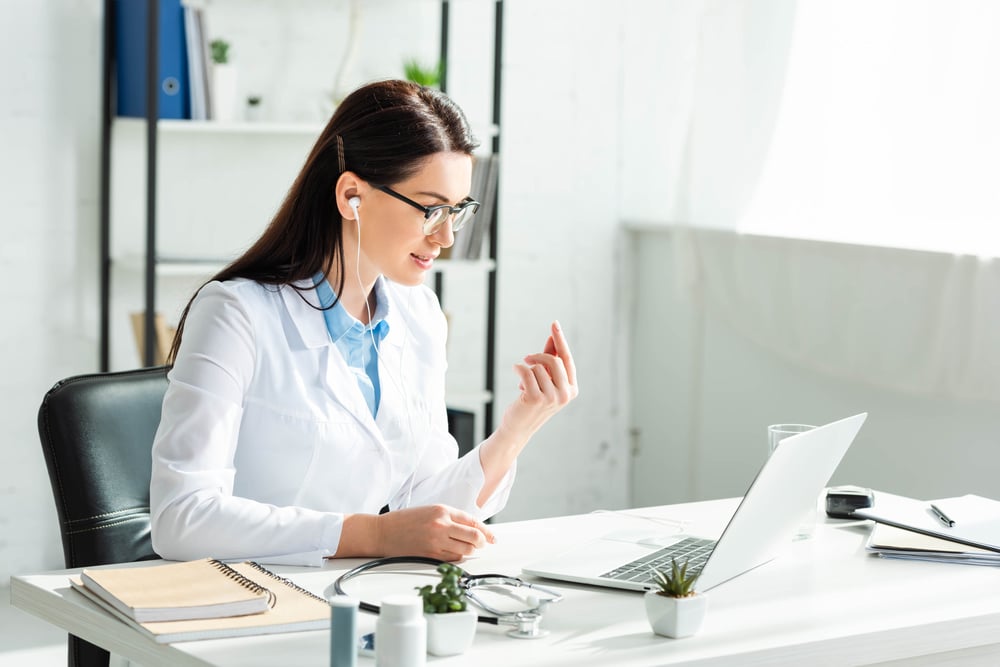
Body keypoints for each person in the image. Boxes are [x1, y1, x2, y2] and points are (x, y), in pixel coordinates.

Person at [149, 79, 578, 566]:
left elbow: (424, 510)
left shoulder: (420, 315)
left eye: (457, 212)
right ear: (352, 194)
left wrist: (519, 427)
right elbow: (181, 520)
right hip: (251, 601)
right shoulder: (236, 314)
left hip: (358, 597)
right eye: (431, 209)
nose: (445, 238)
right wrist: (371, 535)